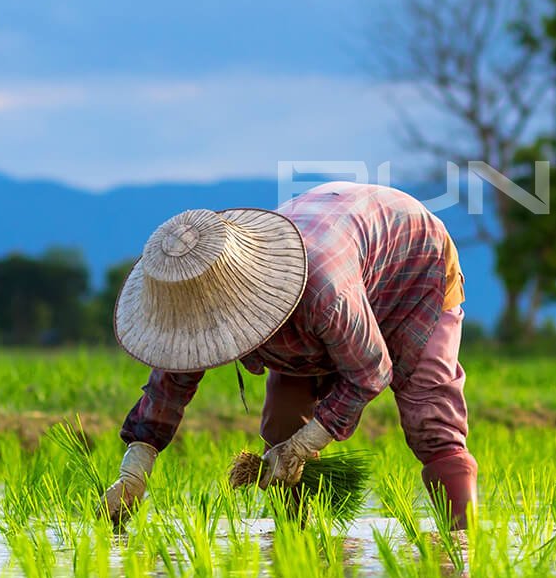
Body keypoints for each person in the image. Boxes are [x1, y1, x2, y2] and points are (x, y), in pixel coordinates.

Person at [102, 181, 477, 529]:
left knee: (429, 413)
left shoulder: (323, 295)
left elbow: (371, 372)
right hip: (331, 264)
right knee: (282, 424)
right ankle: (295, 543)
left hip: (411, 257)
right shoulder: (201, 289)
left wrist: (304, 446)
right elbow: (172, 379)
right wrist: (136, 469)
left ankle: (463, 544)